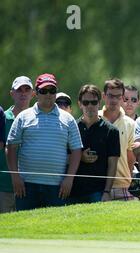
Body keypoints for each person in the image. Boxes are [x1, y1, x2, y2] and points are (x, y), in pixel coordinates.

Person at [5, 73, 82, 211]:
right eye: (43, 91)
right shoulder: (23, 117)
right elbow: (11, 147)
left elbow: (76, 150)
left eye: (52, 90)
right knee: (25, 229)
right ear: (36, 93)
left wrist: (69, 179)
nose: (48, 94)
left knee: (55, 229)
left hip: (57, 186)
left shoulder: (68, 119)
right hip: (26, 185)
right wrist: (15, 178)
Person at [69, 84, 120, 204]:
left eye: (93, 102)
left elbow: (113, 164)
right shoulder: (72, 128)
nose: (90, 106)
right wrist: (80, 157)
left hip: (98, 192)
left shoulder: (111, 131)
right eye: (86, 102)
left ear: (99, 103)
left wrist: (107, 192)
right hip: (73, 190)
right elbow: (64, 157)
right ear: (80, 104)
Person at [0, 76, 34, 213]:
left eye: (27, 89)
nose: (23, 93)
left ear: (33, 94)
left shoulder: (38, 119)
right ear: (12, 94)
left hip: (30, 188)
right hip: (4, 187)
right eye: (19, 90)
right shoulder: (2, 118)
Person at [99, 78, 137, 201]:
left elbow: (130, 156)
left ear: (122, 98)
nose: (114, 100)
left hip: (123, 186)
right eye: (110, 96)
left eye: (118, 96)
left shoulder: (130, 124)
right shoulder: (95, 118)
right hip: (98, 185)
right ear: (103, 96)